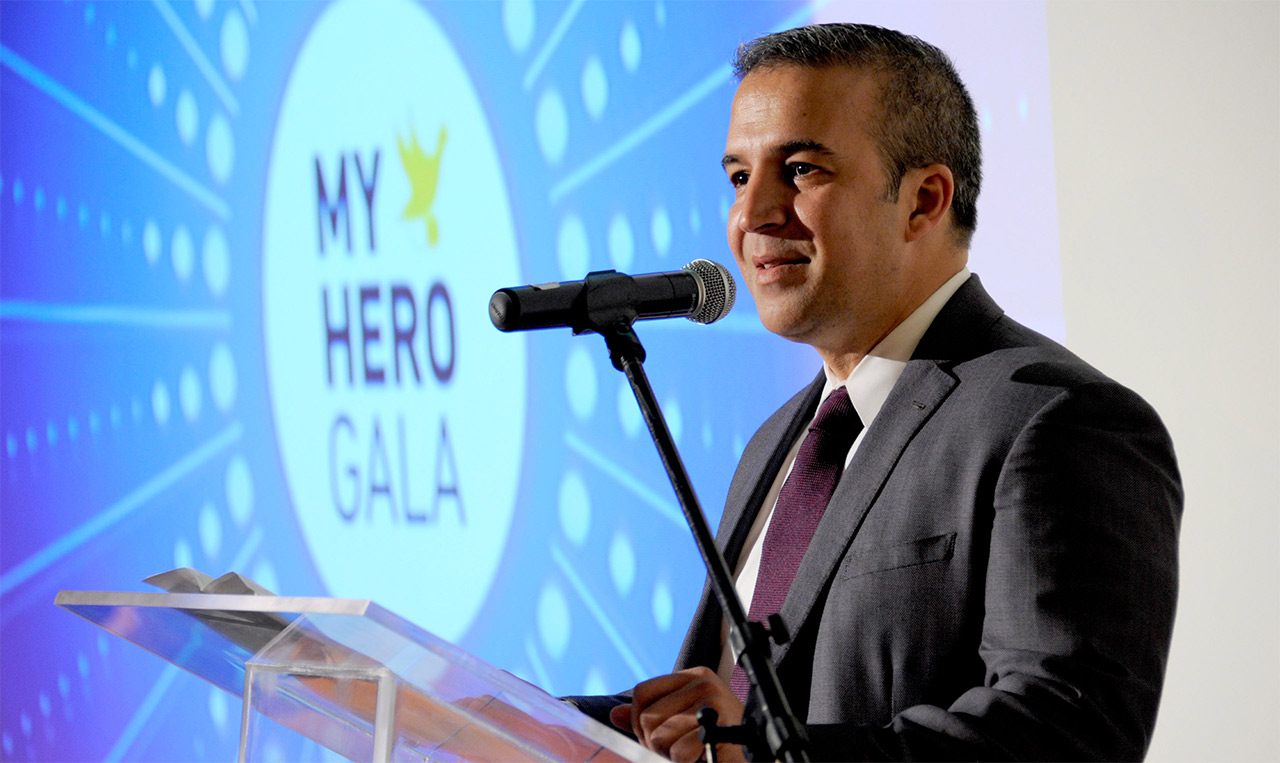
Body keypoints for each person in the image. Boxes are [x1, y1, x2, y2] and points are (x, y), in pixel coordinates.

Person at [568, 22, 1181, 762]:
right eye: (738, 176)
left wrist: (762, 751)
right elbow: (736, 710)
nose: (753, 213)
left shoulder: (1056, 420)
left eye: (800, 169)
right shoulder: (776, 440)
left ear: (924, 199)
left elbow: (1066, 733)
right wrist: (532, 713)